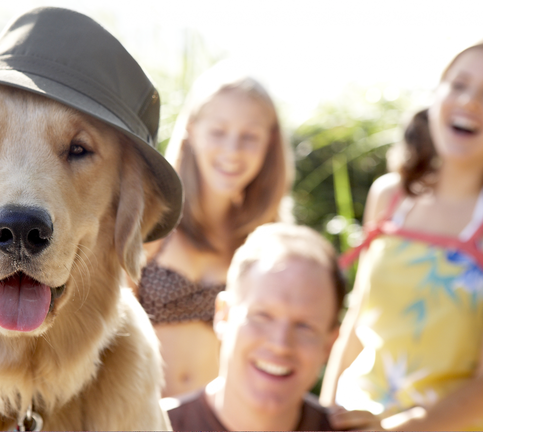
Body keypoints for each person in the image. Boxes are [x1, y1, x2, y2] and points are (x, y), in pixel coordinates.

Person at [319, 43, 483, 431]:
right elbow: (356, 324)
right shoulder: (390, 197)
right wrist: (322, 416)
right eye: (459, 85)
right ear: (436, 95)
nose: (470, 102)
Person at [135, 62, 294, 397]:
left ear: (270, 142)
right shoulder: (150, 218)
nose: (232, 150)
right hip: (137, 416)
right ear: (192, 130)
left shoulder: (271, 241)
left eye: (250, 136)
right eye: (218, 132)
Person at [163, 223, 344, 431]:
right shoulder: (149, 426)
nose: (280, 344)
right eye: (262, 316)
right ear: (223, 315)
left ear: (330, 344)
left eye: (305, 326)